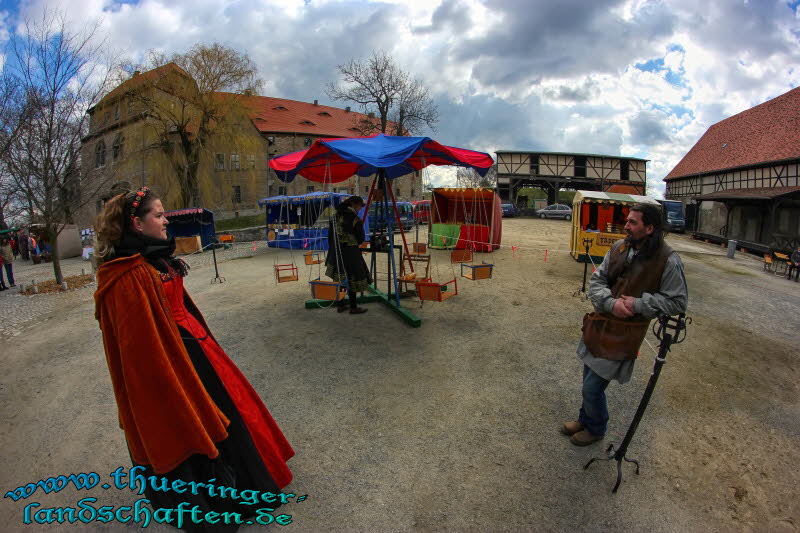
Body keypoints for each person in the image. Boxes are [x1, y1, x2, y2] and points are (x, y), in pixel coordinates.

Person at [94, 186, 294, 531]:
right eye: (158, 214)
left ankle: (250, 481)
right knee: (195, 422)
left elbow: (179, 307)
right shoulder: (127, 274)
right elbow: (137, 347)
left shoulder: (155, 258)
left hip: (197, 349)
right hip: (172, 362)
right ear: (137, 224)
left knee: (231, 411)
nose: (165, 220)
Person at [563, 202, 688, 446]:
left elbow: (678, 301)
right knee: (588, 375)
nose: (626, 226)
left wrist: (638, 305)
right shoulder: (619, 247)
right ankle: (585, 419)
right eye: (627, 220)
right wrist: (611, 304)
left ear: (650, 228)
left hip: (625, 334)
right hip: (600, 324)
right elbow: (596, 282)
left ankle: (596, 428)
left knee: (592, 387)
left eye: (633, 222)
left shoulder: (668, 260)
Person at [325, 195, 371, 314]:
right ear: (354, 205)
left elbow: (330, 237)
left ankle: (340, 304)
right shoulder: (354, 218)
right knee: (352, 278)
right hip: (351, 253)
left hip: (337, 252)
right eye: (359, 207)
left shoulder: (335, 216)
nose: (359, 209)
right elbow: (361, 239)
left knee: (341, 277)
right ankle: (353, 306)